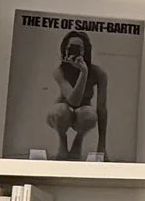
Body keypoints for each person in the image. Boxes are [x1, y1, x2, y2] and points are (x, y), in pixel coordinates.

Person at [45, 28, 110, 162]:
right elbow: (73, 101)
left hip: (83, 114)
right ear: (65, 49)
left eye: (78, 48)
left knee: (89, 114)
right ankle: (62, 141)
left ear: (85, 51)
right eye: (71, 48)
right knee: (60, 110)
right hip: (62, 114)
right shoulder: (59, 71)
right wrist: (83, 73)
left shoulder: (98, 73)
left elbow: (101, 109)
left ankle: (78, 141)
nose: (74, 51)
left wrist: (102, 145)